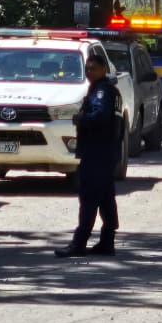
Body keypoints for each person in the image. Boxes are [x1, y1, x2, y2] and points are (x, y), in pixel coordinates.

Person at [56, 54, 121, 258]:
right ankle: (107, 241)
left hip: (98, 153)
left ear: (103, 69)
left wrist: (81, 118)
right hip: (105, 152)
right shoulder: (105, 89)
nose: (89, 72)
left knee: (89, 198)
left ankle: (79, 243)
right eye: (87, 68)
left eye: (93, 68)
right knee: (105, 198)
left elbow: (100, 117)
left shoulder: (103, 91)